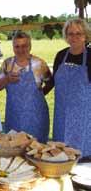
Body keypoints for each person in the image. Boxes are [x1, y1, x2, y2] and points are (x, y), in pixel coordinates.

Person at [0, 31, 51, 143]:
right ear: (13, 47)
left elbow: (50, 82)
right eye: (17, 46)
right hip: (14, 115)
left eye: (24, 46)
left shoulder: (39, 64)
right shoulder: (7, 64)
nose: (20, 50)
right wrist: (7, 79)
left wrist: (37, 97)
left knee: (36, 150)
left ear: (30, 46)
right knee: (14, 147)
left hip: (37, 116)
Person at [52, 18, 91, 157]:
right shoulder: (61, 55)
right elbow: (52, 81)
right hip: (62, 113)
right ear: (66, 36)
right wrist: (38, 91)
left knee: (82, 155)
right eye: (70, 34)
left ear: (85, 36)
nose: (74, 37)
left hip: (83, 115)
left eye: (78, 34)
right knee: (61, 154)